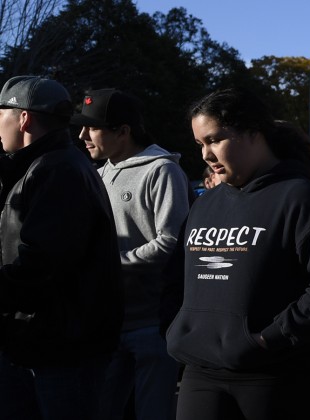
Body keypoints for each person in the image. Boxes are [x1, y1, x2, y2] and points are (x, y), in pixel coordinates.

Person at [165, 89, 310, 420]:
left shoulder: (303, 198)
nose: (206, 154)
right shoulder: (205, 204)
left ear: (253, 133)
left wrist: (268, 339)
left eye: (214, 139)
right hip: (200, 370)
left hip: (276, 375)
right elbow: (174, 277)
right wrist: (176, 329)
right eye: (200, 143)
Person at [0, 76, 122, 419]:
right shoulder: (45, 166)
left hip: (60, 349)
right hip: (37, 342)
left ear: (23, 117)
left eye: (0, 111)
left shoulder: (58, 170)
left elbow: (41, 266)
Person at [74, 88, 189, 420]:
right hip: (109, 324)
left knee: (154, 413)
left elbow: (172, 241)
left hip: (153, 325)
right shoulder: (98, 173)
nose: (82, 135)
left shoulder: (162, 170)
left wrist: (109, 266)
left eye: (91, 127)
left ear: (123, 131)